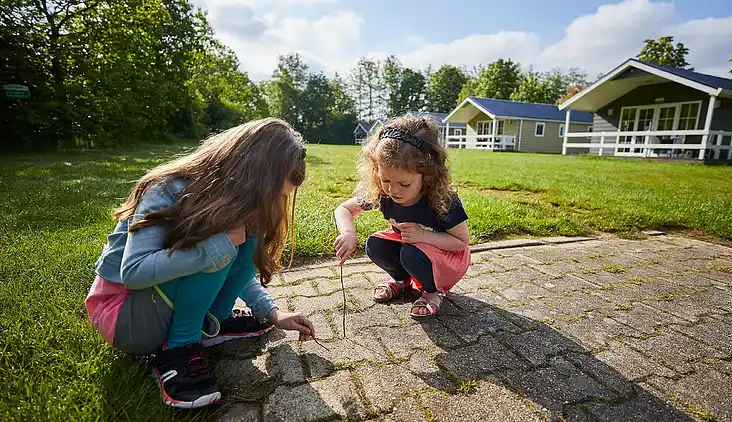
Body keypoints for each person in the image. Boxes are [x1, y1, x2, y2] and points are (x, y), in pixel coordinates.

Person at [85, 118, 316, 409]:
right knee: (222, 244)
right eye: (272, 194)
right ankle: (179, 348)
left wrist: (272, 312)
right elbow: (133, 272)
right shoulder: (167, 189)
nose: (274, 203)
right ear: (249, 174)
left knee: (242, 239)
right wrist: (213, 249)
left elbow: (234, 265)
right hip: (125, 317)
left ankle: (209, 325)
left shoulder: (229, 204)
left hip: (156, 305)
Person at [333, 115, 471, 319]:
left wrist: (423, 236)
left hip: (446, 259)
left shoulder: (442, 199)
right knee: (375, 245)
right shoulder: (383, 191)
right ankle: (401, 280)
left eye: (404, 184)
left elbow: (461, 242)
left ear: (428, 175)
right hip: (412, 246)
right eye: (385, 179)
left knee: (410, 253)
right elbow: (343, 209)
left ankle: (433, 292)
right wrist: (348, 232)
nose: (393, 190)